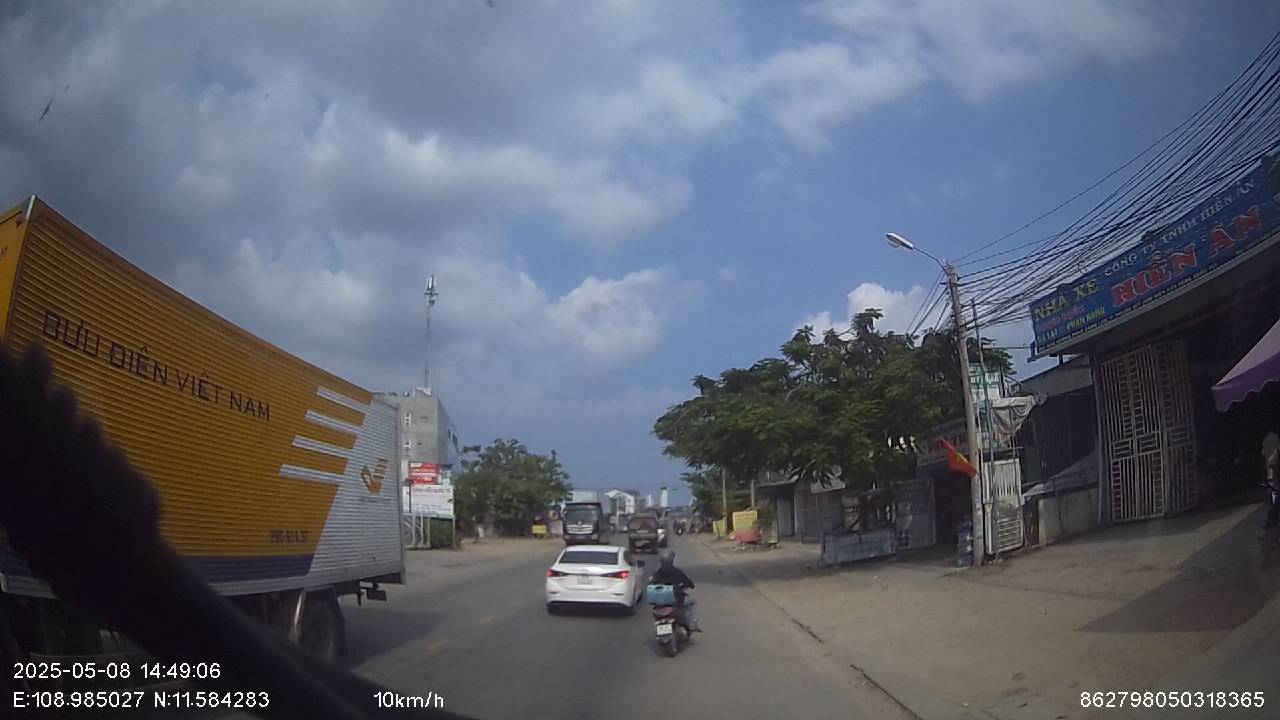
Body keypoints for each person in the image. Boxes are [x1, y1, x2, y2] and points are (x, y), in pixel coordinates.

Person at [650, 549, 701, 632]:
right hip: (674, 605)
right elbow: (689, 582)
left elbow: (650, 586)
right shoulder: (677, 572)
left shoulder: (656, 574)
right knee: (693, 603)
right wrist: (688, 586)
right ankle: (692, 624)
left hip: (658, 607)